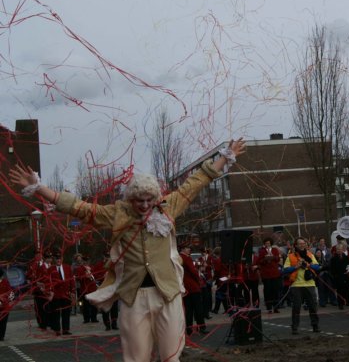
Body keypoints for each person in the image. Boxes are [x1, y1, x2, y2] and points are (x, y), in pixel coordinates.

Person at [10, 138, 246, 362]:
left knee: (171, 354)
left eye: (148, 200)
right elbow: (79, 208)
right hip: (134, 298)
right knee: (135, 357)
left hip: (167, 294)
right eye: (139, 200)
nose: (144, 205)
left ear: (156, 197)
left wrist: (226, 157)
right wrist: (40, 188)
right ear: (131, 198)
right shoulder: (117, 213)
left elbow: (196, 182)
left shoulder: (168, 208)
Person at [283, 237, 321, 334]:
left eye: (303, 243)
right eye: (299, 243)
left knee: (313, 306)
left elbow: (317, 267)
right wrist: (296, 266)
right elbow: (285, 270)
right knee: (296, 307)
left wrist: (309, 265)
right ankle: (294, 327)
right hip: (296, 285)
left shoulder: (310, 254)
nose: (302, 245)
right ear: (295, 245)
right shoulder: (290, 256)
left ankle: (315, 326)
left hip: (310, 284)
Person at [179, 243, 207, 335]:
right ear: (183, 249)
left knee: (188, 309)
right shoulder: (186, 258)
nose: (189, 250)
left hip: (185, 287)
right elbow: (193, 271)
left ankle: (189, 329)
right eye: (187, 248)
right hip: (193, 286)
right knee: (198, 308)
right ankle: (202, 327)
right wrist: (199, 278)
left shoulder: (179, 258)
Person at [48, 251, 75, 336]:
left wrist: (73, 291)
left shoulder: (67, 267)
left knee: (66, 312)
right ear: (54, 260)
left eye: (60, 259)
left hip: (66, 294)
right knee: (56, 313)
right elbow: (48, 282)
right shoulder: (50, 269)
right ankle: (57, 330)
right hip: (56, 295)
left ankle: (65, 329)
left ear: (62, 259)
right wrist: (49, 292)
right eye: (57, 259)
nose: (58, 260)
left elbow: (71, 280)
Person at [257, 237, 281, 313]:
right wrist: (265, 259)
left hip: (274, 273)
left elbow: (278, 259)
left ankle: (276, 307)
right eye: (266, 243)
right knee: (268, 291)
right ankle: (269, 308)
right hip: (266, 274)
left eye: (269, 243)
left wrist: (273, 257)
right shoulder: (262, 251)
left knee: (275, 290)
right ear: (264, 244)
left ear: (271, 243)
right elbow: (259, 261)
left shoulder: (274, 250)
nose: (268, 244)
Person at [75, 255, 99, 324]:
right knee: (85, 305)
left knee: (94, 304)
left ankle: (94, 318)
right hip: (85, 289)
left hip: (92, 288)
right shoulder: (79, 269)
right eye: (84, 261)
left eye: (87, 261)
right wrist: (85, 276)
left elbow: (95, 276)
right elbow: (78, 278)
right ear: (82, 261)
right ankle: (86, 319)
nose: (86, 262)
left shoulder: (92, 267)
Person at [0, 269, 14, 341]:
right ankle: (1, 336)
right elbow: (11, 293)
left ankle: (1, 336)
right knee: (3, 322)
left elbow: (11, 294)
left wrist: (7, 300)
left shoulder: (5, 282)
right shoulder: (6, 282)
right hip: (4, 305)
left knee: (3, 321)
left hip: (4, 306)